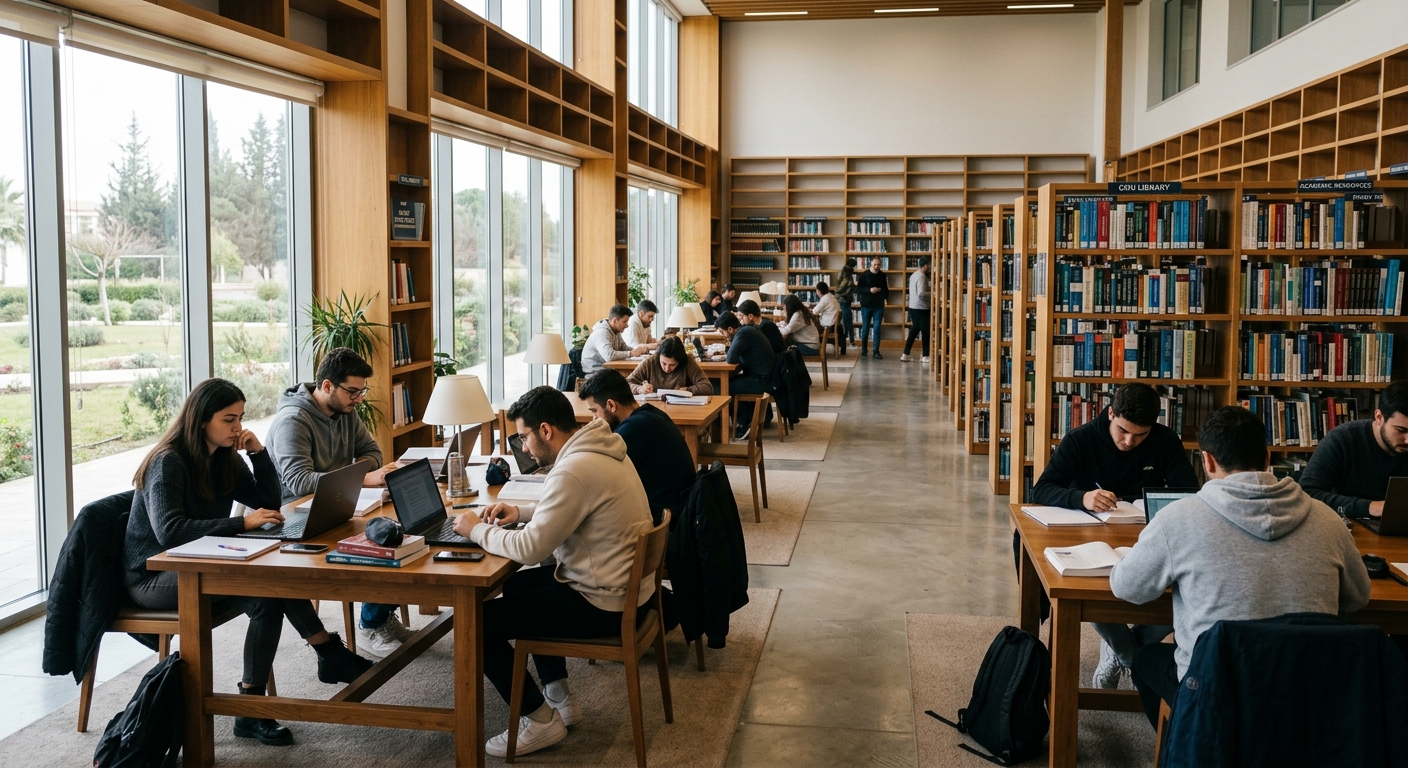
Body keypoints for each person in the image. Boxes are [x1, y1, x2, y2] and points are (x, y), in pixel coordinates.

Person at [125, 378, 374, 747]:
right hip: (154, 575)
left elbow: (268, 502)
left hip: (200, 562)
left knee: (267, 594)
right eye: (229, 420)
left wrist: (258, 453)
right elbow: (170, 532)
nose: (238, 428)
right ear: (200, 419)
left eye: (240, 418)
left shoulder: (223, 457)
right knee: (264, 587)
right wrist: (241, 523)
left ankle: (251, 707)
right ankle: (328, 654)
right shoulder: (169, 461)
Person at [1111, 405, 1372, 728]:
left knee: (1147, 661)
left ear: (1206, 461)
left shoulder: (1178, 519)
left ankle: (1187, 747)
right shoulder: (1328, 519)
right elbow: (1358, 598)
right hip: (1309, 688)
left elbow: (1127, 588)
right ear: (1267, 457)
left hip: (1215, 688)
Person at [450, 386, 653, 757]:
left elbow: (531, 548)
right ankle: (559, 697)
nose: (523, 448)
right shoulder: (599, 448)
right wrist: (520, 512)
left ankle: (541, 721)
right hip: (629, 594)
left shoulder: (574, 469)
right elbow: (570, 504)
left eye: (524, 436)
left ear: (546, 431)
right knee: (516, 588)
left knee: (474, 623)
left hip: (604, 605)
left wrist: (475, 530)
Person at [1028, 382, 1199, 689]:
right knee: (1087, 588)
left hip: (1144, 535)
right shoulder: (1080, 439)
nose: (1129, 441)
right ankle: (1133, 657)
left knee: (1183, 592)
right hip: (1088, 536)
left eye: (1140, 435)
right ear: (1110, 413)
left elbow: (1186, 493)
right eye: (1123, 430)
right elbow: (1040, 489)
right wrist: (1081, 497)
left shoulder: (1165, 441)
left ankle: (1121, 649)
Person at [266, 348, 405, 658]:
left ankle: (378, 617)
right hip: (296, 518)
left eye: (361, 392)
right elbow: (299, 483)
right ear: (327, 386)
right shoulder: (293, 420)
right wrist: (359, 479)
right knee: (380, 544)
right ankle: (370, 625)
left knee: (400, 531)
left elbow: (374, 454)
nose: (358, 399)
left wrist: (353, 479)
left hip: (340, 505)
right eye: (352, 392)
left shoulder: (345, 411)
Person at [578, 369, 696, 525]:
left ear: (611, 405)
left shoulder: (632, 430)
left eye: (594, 411)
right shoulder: (650, 415)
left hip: (665, 524)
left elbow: (599, 474)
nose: (594, 419)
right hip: (679, 511)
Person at [1299, 380, 1408, 520]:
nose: (1407, 440)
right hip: (1349, 530)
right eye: (1401, 430)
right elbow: (1307, 494)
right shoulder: (1343, 439)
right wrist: (1370, 507)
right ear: (1379, 417)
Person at [716, 312, 775, 440]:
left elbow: (731, 358)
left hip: (762, 381)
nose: (722, 335)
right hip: (767, 377)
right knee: (729, 383)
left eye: (722, 332)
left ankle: (742, 423)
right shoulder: (747, 330)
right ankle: (753, 417)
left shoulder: (743, 334)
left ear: (730, 329)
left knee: (725, 387)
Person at [626, 336, 713, 396]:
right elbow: (627, 383)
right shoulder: (650, 361)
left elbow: (707, 387)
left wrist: (687, 390)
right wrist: (639, 389)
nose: (667, 369)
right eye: (663, 363)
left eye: (672, 365)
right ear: (658, 356)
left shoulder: (688, 361)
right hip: (654, 410)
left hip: (681, 409)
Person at [581, 304, 649, 374]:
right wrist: (631, 353)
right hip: (595, 374)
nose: (627, 325)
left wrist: (639, 351)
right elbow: (609, 355)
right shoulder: (602, 333)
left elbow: (624, 348)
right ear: (614, 321)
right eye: (624, 322)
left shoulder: (616, 331)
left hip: (607, 370)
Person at [856, 257, 889, 359]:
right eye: (875, 265)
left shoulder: (882, 275)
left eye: (878, 265)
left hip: (878, 305)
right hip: (866, 305)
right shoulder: (864, 275)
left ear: (881, 265)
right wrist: (869, 290)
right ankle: (864, 349)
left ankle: (876, 351)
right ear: (870, 264)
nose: (876, 267)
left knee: (877, 328)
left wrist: (880, 291)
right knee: (865, 328)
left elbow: (886, 290)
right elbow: (858, 290)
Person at [901, 256, 931, 365]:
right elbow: (921, 293)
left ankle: (906, 353)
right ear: (926, 265)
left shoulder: (914, 275)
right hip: (921, 307)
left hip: (913, 306)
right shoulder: (922, 277)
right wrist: (933, 293)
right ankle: (925, 355)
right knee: (925, 332)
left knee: (914, 330)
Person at [835, 264, 856, 348]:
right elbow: (840, 288)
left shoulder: (843, 273)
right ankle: (849, 341)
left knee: (846, 320)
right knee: (847, 320)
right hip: (844, 300)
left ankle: (847, 340)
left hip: (844, 300)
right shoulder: (847, 276)